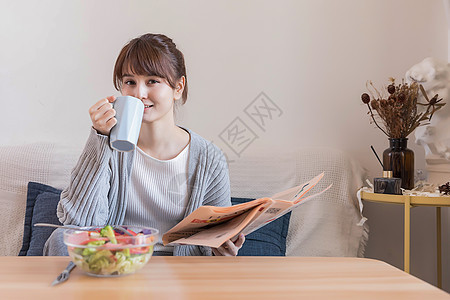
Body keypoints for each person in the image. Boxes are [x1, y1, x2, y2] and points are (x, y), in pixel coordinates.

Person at [44, 33, 245, 256]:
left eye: (152, 81)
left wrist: (223, 249)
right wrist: (100, 137)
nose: (139, 93)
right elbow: (78, 222)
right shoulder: (109, 146)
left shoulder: (209, 158)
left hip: (180, 275)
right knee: (61, 240)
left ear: (178, 87)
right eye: (130, 82)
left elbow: (216, 237)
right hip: (115, 266)